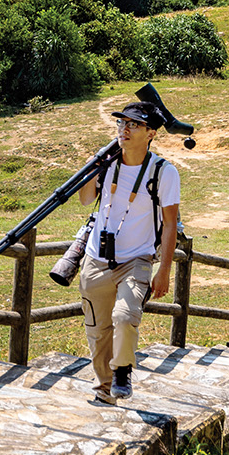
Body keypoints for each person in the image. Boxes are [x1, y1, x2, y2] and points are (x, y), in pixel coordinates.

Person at [76, 100, 181, 403]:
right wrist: (91, 170)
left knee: (125, 316)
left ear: (151, 133)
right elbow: (85, 200)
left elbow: (170, 224)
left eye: (134, 124)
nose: (125, 129)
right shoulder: (107, 163)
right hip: (96, 258)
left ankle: (122, 370)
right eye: (122, 123)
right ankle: (104, 389)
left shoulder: (163, 172)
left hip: (136, 259)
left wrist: (164, 270)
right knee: (98, 331)